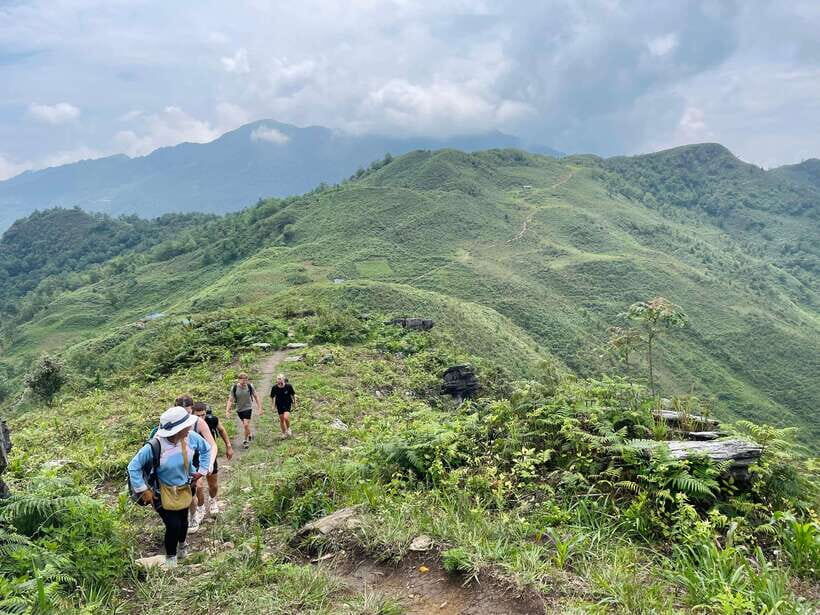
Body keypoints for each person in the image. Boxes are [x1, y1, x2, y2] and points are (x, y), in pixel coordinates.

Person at [127, 406, 211, 568]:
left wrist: (201, 472)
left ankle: (182, 546)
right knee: (173, 525)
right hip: (161, 492)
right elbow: (133, 467)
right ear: (177, 430)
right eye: (186, 426)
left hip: (185, 487)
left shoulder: (191, 437)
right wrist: (143, 490)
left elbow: (206, 449)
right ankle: (171, 559)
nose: (189, 428)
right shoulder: (155, 446)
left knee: (183, 520)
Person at [175, 395, 217, 533]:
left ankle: (211, 501)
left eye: (187, 412)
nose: (184, 416)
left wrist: (210, 463)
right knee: (194, 487)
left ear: (191, 410)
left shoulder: (198, 422)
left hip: (203, 454)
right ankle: (196, 511)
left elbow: (212, 445)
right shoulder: (170, 421)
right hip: (187, 457)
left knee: (212, 484)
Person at [192, 401, 233, 514]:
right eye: (198, 416)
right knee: (198, 486)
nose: (201, 418)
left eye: (203, 415)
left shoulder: (211, 420)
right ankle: (200, 508)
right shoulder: (188, 424)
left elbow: (222, 430)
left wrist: (228, 446)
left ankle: (213, 500)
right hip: (194, 457)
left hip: (210, 455)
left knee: (213, 484)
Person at [226, 373, 262, 449]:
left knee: (245, 425)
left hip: (248, 408)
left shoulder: (250, 386)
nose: (244, 382)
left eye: (246, 380)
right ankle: (250, 433)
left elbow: (256, 396)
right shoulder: (234, 387)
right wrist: (227, 411)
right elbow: (230, 400)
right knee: (246, 425)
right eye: (243, 380)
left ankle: (245, 441)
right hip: (239, 409)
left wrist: (260, 408)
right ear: (239, 380)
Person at [270, 373, 296, 438]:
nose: (279, 380)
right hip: (279, 404)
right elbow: (273, 397)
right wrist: (273, 406)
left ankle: (288, 428)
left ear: (283, 379)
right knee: (281, 419)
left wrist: (295, 403)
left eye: (280, 379)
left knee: (286, 417)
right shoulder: (274, 388)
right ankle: (284, 433)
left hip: (287, 403)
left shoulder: (288, 386)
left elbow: (293, 395)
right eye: (278, 379)